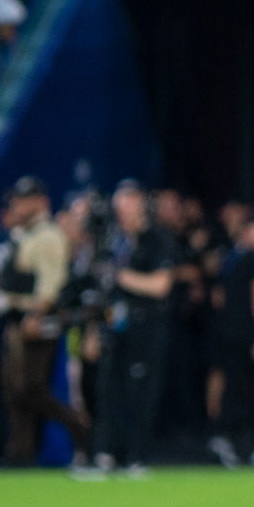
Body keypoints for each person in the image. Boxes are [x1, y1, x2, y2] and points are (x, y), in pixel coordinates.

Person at [0, 175, 91, 466]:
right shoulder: (25, 234)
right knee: (14, 390)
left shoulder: (48, 236)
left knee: (29, 388)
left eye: (22, 200)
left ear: (39, 202)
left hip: (35, 320)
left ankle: (77, 424)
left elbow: (50, 284)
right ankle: (20, 451)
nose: (16, 205)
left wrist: (37, 315)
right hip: (17, 318)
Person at [95, 179, 176, 474]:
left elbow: (161, 285)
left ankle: (137, 456)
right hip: (114, 324)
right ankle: (106, 454)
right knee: (108, 389)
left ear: (140, 204)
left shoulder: (158, 239)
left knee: (141, 391)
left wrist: (121, 277)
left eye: (128, 207)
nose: (123, 214)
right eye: (119, 209)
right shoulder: (112, 239)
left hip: (147, 325)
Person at [207, 208, 254, 468]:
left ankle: (222, 438)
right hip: (246, 335)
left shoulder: (230, 257)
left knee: (232, 387)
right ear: (251, 231)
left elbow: (218, 297)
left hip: (226, 332)